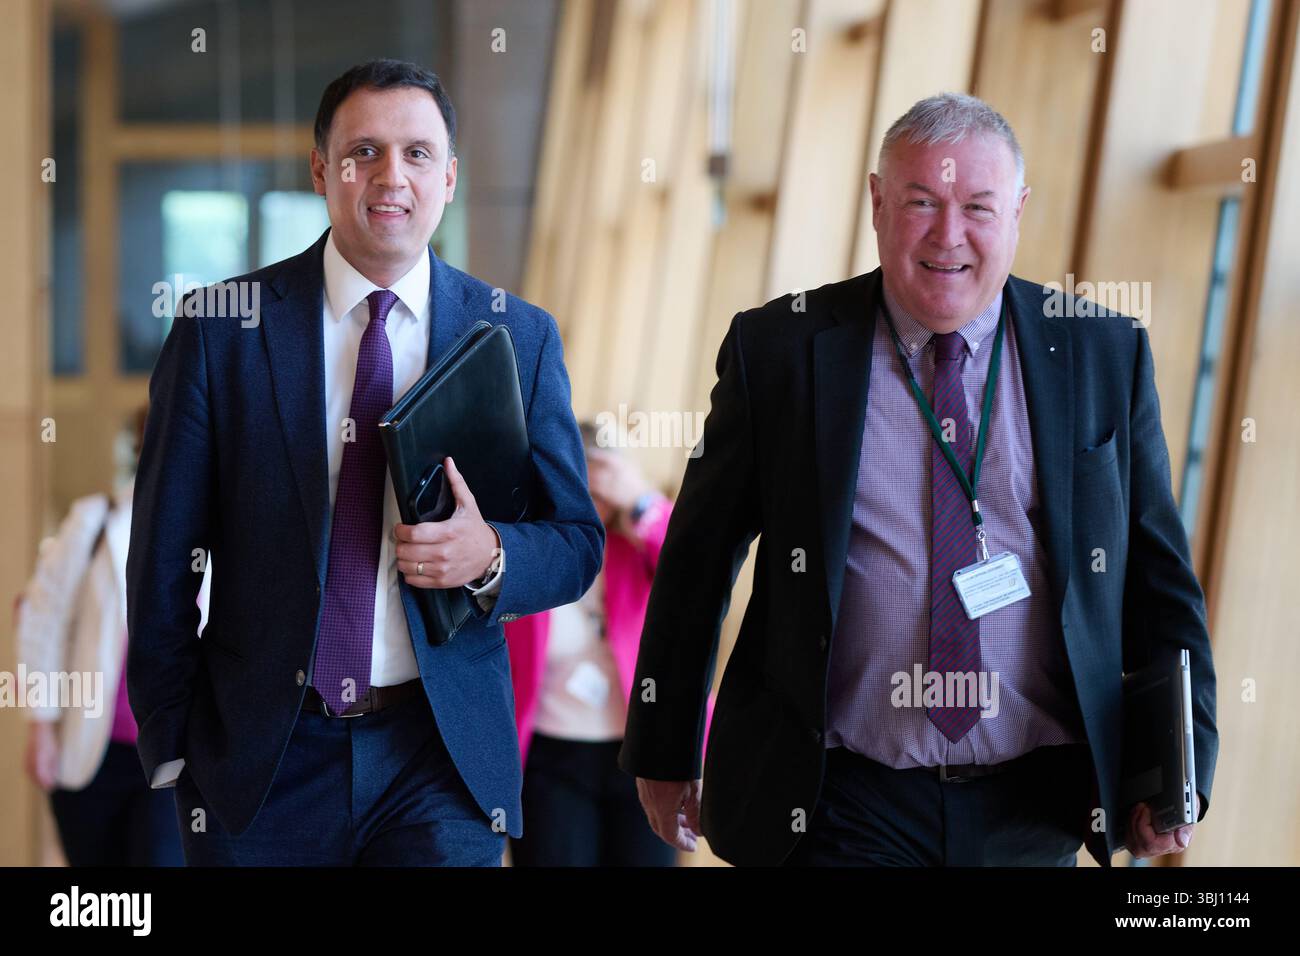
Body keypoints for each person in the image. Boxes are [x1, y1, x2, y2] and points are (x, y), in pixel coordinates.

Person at [618, 93, 1217, 866]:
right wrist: (664, 748)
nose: (949, 235)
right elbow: (698, 558)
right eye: (922, 203)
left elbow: (1163, 581)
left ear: (1019, 212)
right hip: (841, 798)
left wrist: (1183, 771)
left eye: (978, 207)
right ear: (876, 202)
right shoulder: (781, 350)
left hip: (1035, 803)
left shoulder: (1103, 353)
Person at [126, 59, 603, 866]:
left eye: (418, 153)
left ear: (449, 178)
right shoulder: (221, 332)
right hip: (261, 761)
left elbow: (576, 542)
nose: (392, 176)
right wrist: (174, 745)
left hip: (439, 755)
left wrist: (492, 558)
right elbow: (161, 561)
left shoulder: (518, 337)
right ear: (322, 170)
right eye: (364, 152)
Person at [507, 424, 702, 866]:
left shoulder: (640, 546)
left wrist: (641, 502)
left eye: (602, 483)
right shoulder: (534, 550)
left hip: (643, 760)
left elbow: (699, 572)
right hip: (549, 762)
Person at [19, 407, 185, 866]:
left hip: (172, 757)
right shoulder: (93, 520)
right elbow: (41, 622)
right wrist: (40, 728)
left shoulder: (223, 528)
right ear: (142, 444)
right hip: (93, 749)